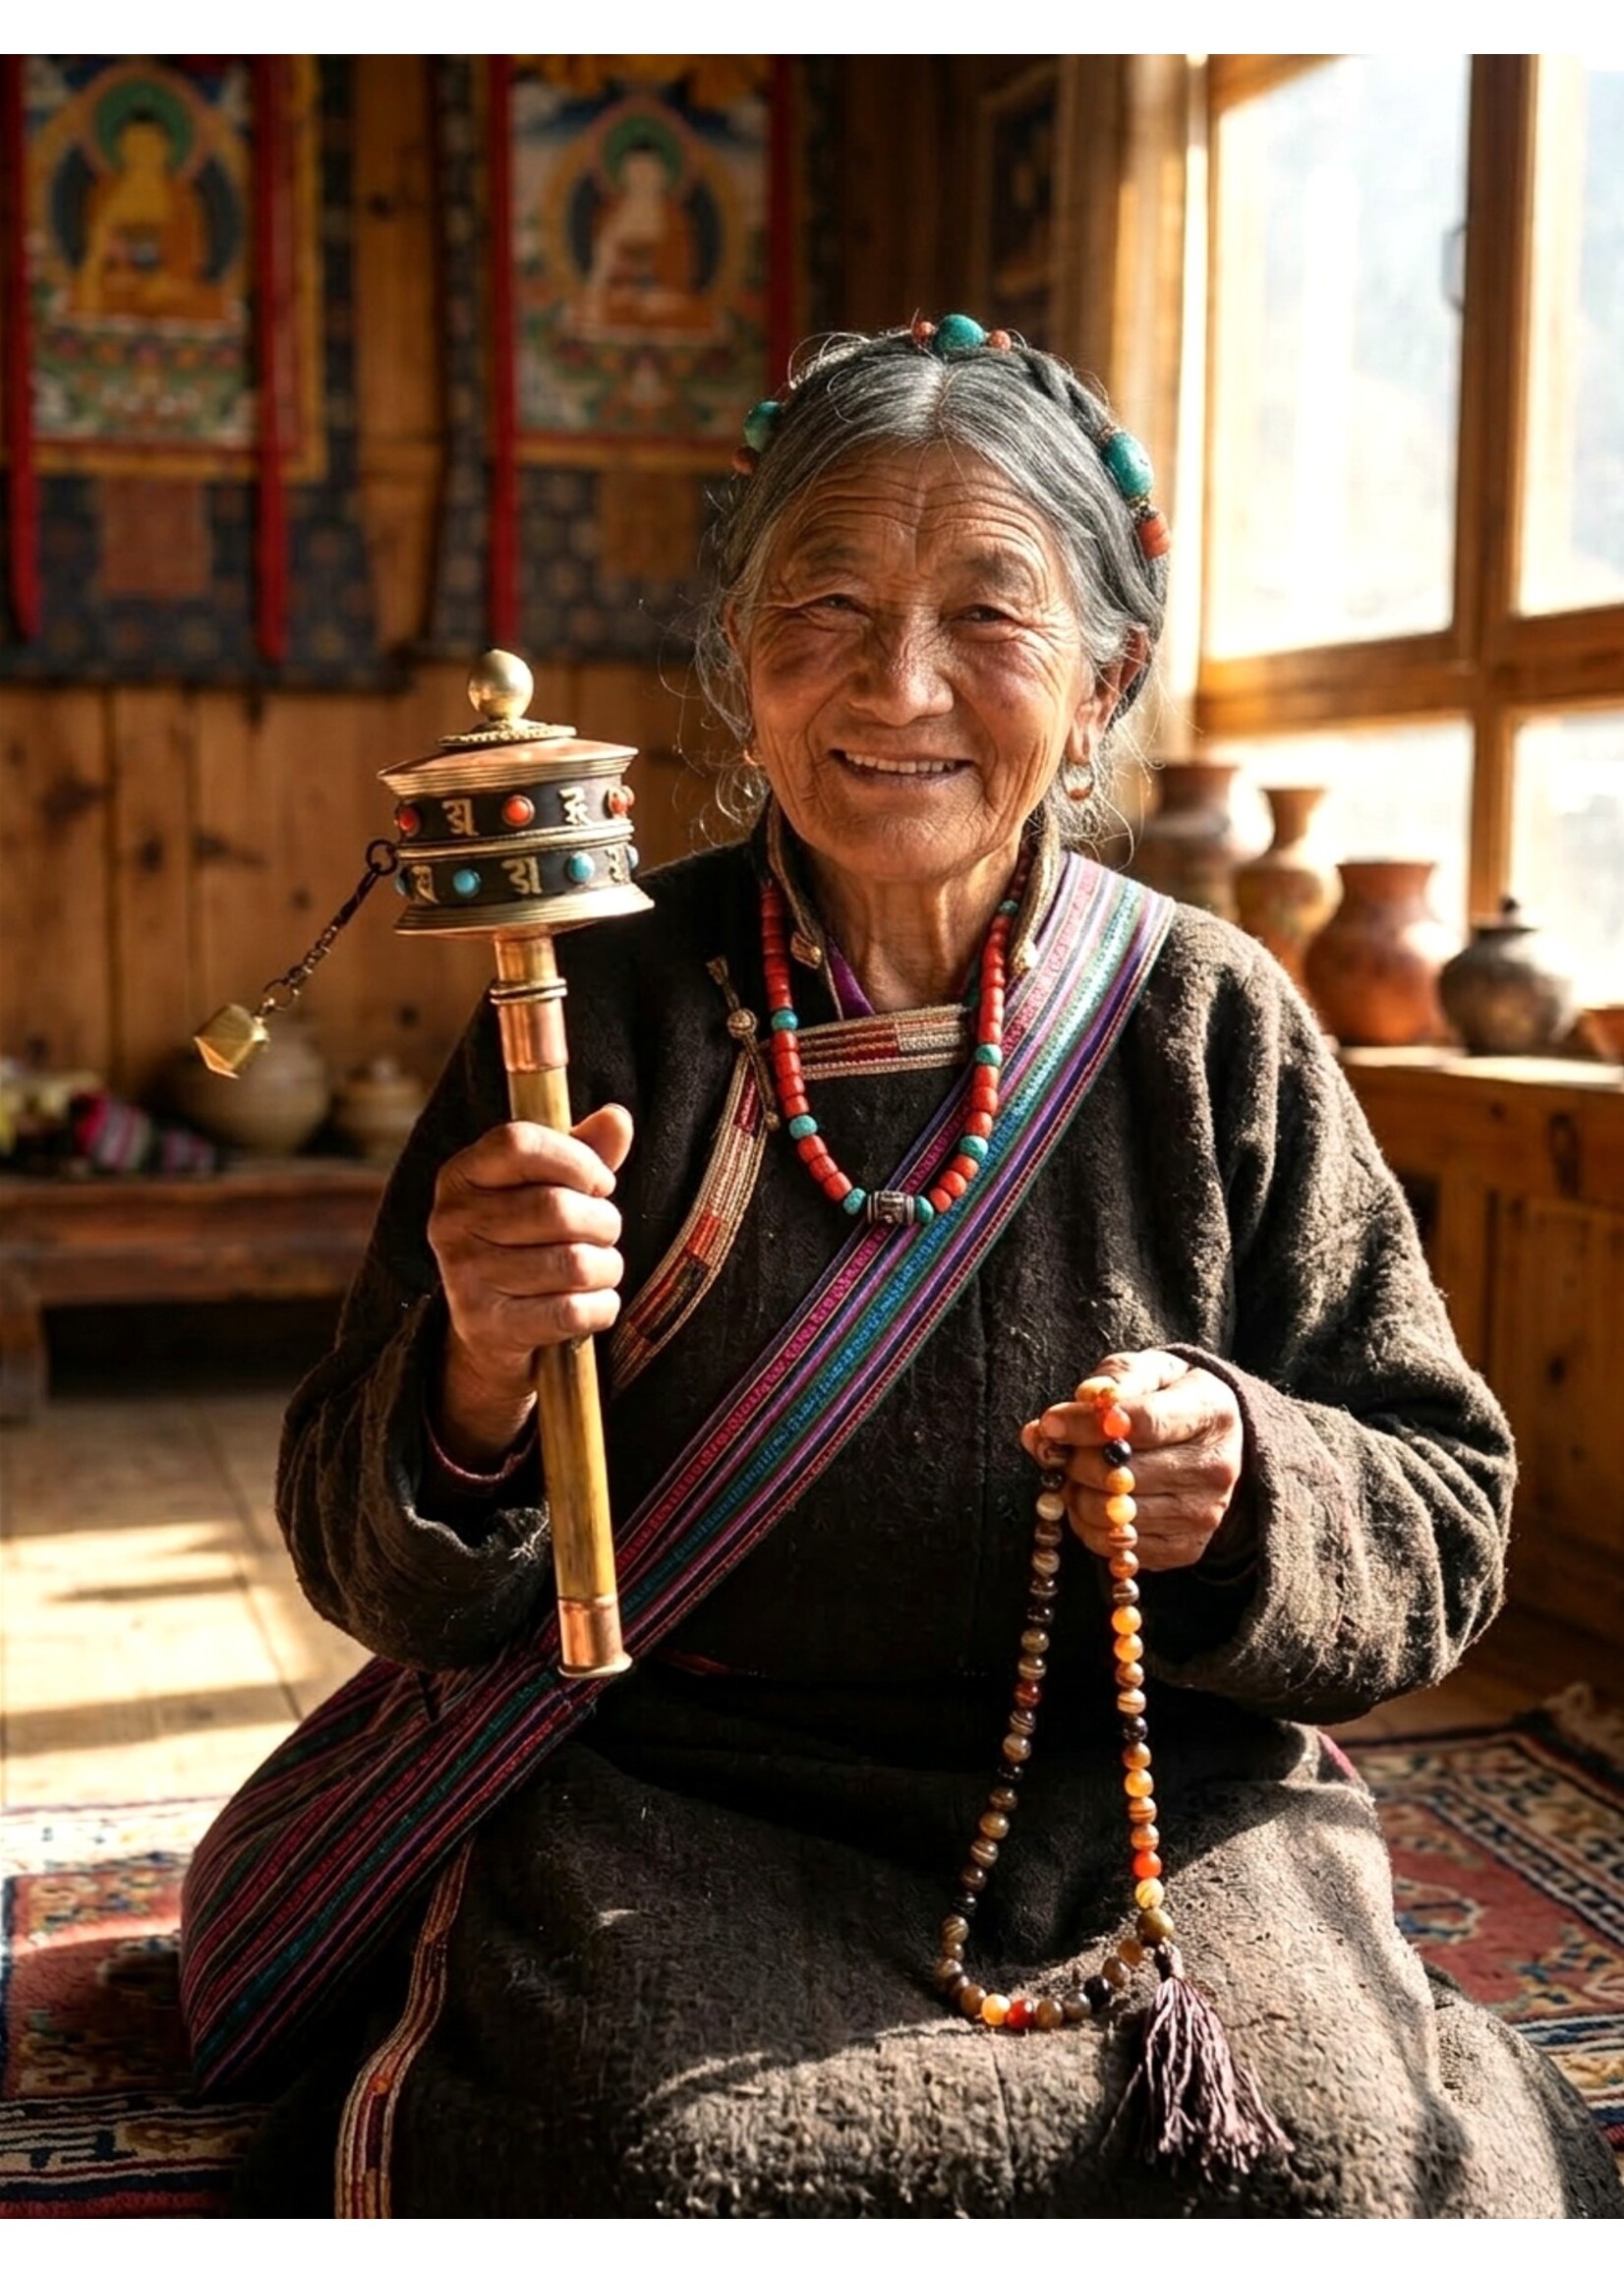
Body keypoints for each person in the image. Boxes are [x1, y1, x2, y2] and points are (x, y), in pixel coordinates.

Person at [198, 318, 1623, 2218]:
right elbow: (353, 1534)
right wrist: (472, 1367)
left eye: (990, 614)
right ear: (741, 662)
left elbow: (1446, 1517)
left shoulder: (1211, 1022)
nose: (901, 684)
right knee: (642, 2165)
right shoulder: (594, 1008)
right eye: (829, 606)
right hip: (689, 1785)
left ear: (1107, 675)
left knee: (1346, 2169)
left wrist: (1252, 1476)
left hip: (1147, 1799)